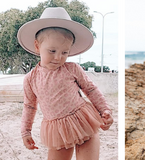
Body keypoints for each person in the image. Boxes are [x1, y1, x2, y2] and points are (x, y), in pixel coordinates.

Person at [18, 7, 113, 160]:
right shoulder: (31, 79)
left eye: (64, 52)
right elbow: (29, 106)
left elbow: (91, 89)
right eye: (52, 51)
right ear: (37, 46)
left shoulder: (72, 69)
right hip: (57, 131)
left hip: (83, 121)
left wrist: (104, 110)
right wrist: (25, 132)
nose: (58, 58)